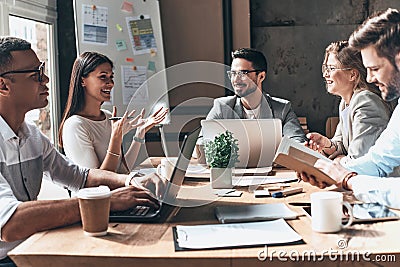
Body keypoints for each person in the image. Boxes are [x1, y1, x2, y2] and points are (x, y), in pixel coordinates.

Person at [0, 36, 163, 264]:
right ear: (3, 85)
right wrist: (106, 202)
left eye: (43, 71)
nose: (46, 79)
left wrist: (131, 181)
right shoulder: (73, 125)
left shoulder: (32, 135)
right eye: (35, 74)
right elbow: (10, 224)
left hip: (35, 247)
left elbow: (81, 176)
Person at [299, 8, 400, 209]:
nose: (369, 78)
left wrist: (348, 179)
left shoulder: (365, 101)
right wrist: (327, 171)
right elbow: (378, 161)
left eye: (375, 68)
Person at [58, 52, 168, 173]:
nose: (110, 83)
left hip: (118, 191)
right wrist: (115, 139)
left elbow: (122, 171)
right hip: (101, 192)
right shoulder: (75, 125)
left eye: (111, 77)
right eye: (103, 76)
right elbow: (96, 182)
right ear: (82, 81)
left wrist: (140, 133)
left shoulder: (109, 117)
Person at [306, 41, 391, 160]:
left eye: (331, 68)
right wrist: (327, 144)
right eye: (325, 68)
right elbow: (342, 145)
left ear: (352, 74)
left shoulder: (366, 102)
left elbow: (358, 159)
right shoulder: (346, 103)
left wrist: (338, 160)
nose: (325, 74)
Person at [206, 48, 307, 143]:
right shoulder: (222, 107)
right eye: (233, 73)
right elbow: (202, 141)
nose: (235, 80)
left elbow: (297, 142)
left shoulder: (282, 109)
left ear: (261, 76)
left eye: (242, 73)